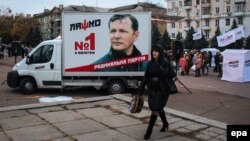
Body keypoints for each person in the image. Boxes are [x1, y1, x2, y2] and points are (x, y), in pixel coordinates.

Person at [139, 45, 176, 140]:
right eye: (153, 51)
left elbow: (173, 74)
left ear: (160, 52)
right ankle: (165, 123)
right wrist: (141, 88)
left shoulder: (165, 62)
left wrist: (163, 71)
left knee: (155, 109)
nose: (154, 52)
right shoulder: (150, 63)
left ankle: (149, 131)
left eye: (156, 51)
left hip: (162, 90)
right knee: (158, 108)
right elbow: (146, 77)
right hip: (152, 90)